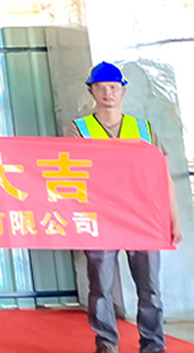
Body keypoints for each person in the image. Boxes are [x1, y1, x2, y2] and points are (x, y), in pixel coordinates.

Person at [64, 62, 183, 353]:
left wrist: (174, 219)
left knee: (149, 288)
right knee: (101, 287)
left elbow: (163, 175)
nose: (108, 93)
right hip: (100, 218)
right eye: (101, 88)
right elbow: (69, 174)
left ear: (123, 91)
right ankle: (106, 343)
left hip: (143, 217)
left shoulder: (143, 129)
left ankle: (153, 344)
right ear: (91, 91)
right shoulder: (78, 129)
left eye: (114, 87)